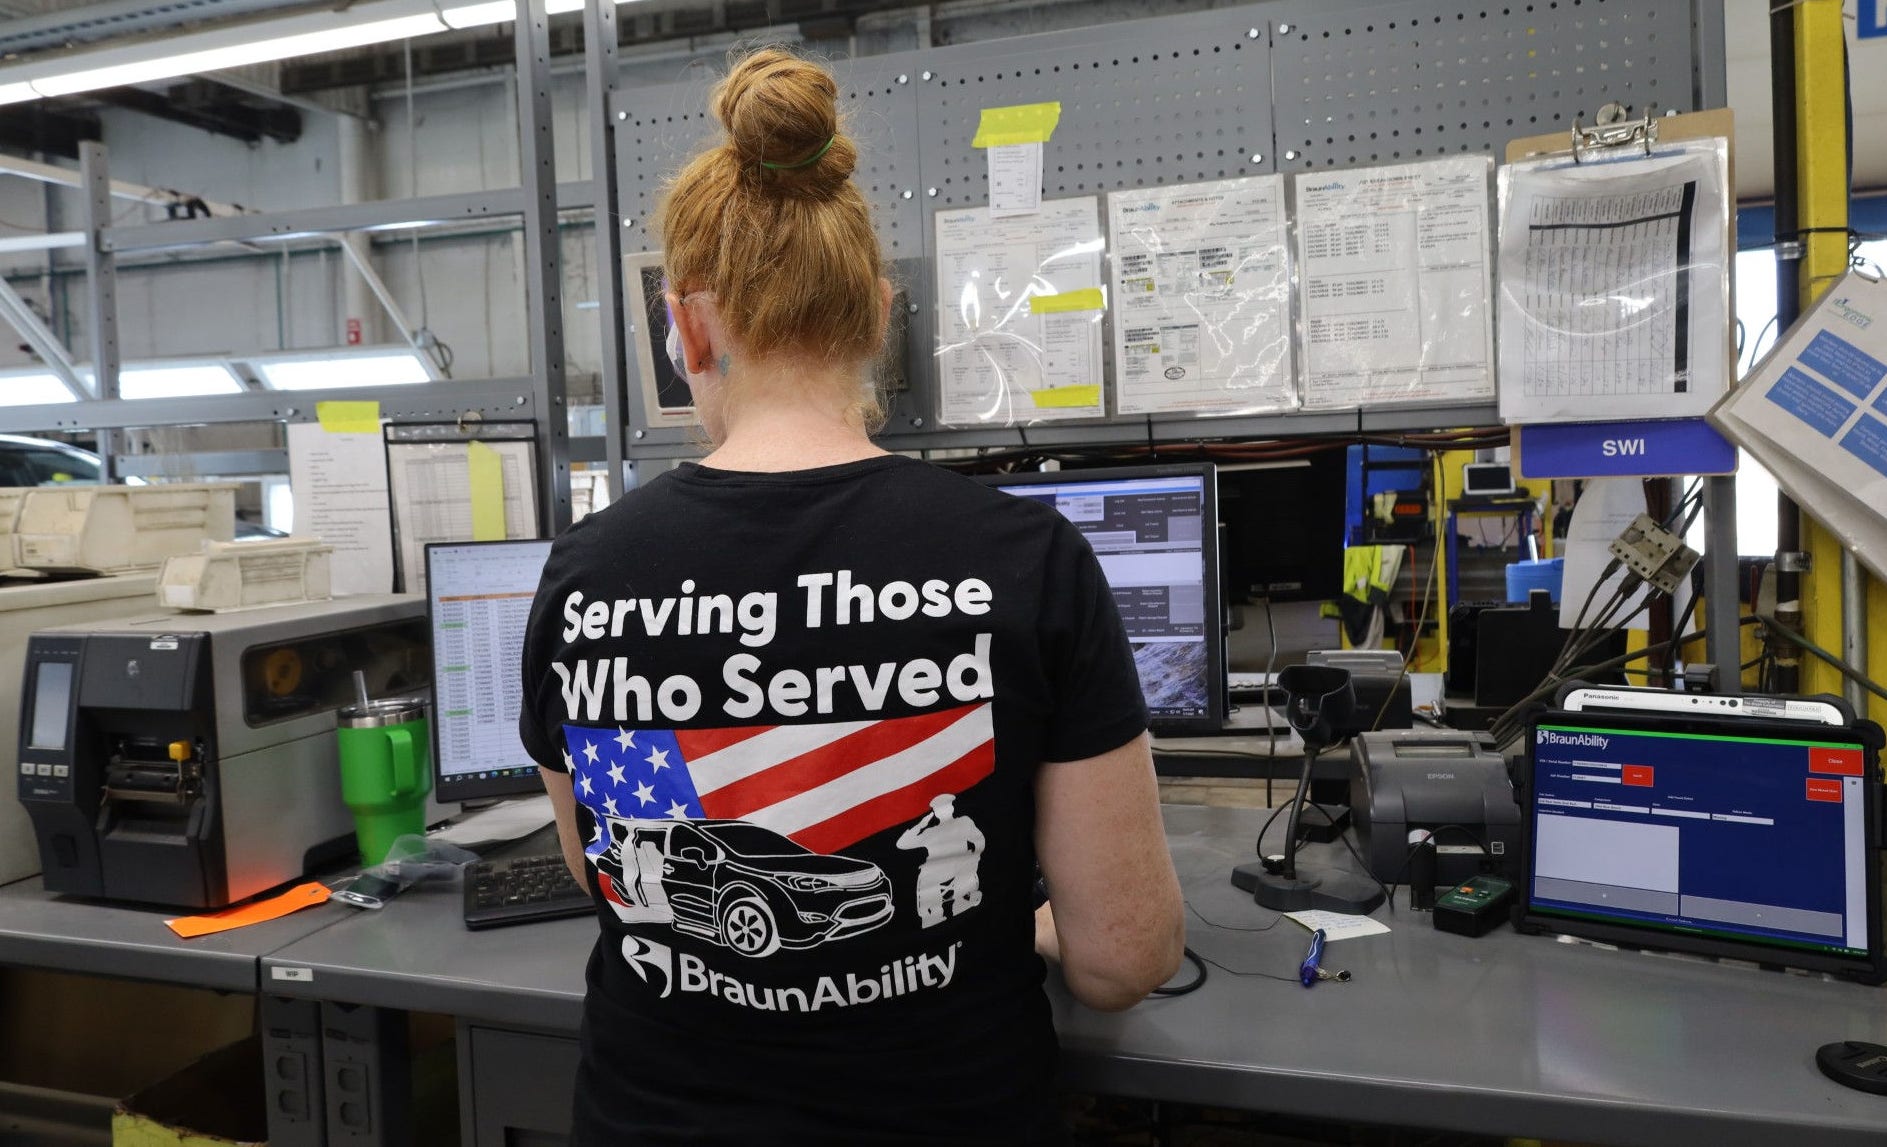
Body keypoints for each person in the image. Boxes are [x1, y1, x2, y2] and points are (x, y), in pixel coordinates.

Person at [518, 46, 1183, 1146]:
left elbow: (607, 877)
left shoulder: (586, 574)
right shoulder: (1026, 557)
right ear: (879, 315)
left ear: (687, 329)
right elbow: (1125, 958)